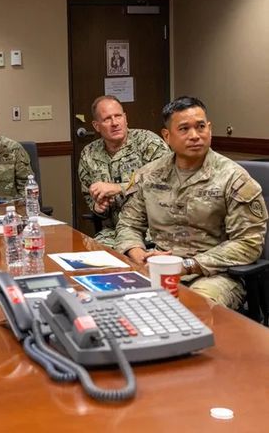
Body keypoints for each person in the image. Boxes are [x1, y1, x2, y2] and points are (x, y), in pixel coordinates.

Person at [115, 96, 268, 309]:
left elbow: (248, 243)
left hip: (216, 275)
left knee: (190, 310)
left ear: (210, 129)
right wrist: (137, 253)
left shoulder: (234, 178)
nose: (195, 135)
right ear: (167, 136)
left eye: (201, 127)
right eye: (184, 129)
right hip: (158, 268)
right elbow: (128, 224)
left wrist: (189, 265)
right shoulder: (149, 175)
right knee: (115, 302)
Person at [78, 95, 170, 247]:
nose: (115, 123)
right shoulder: (89, 154)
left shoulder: (148, 142)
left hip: (152, 232)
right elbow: (90, 198)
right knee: (92, 251)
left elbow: (165, 183)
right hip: (113, 233)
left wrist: (119, 188)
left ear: (125, 118)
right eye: (107, 119)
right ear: (96, 126)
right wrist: (98, 207)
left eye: (118, 116)